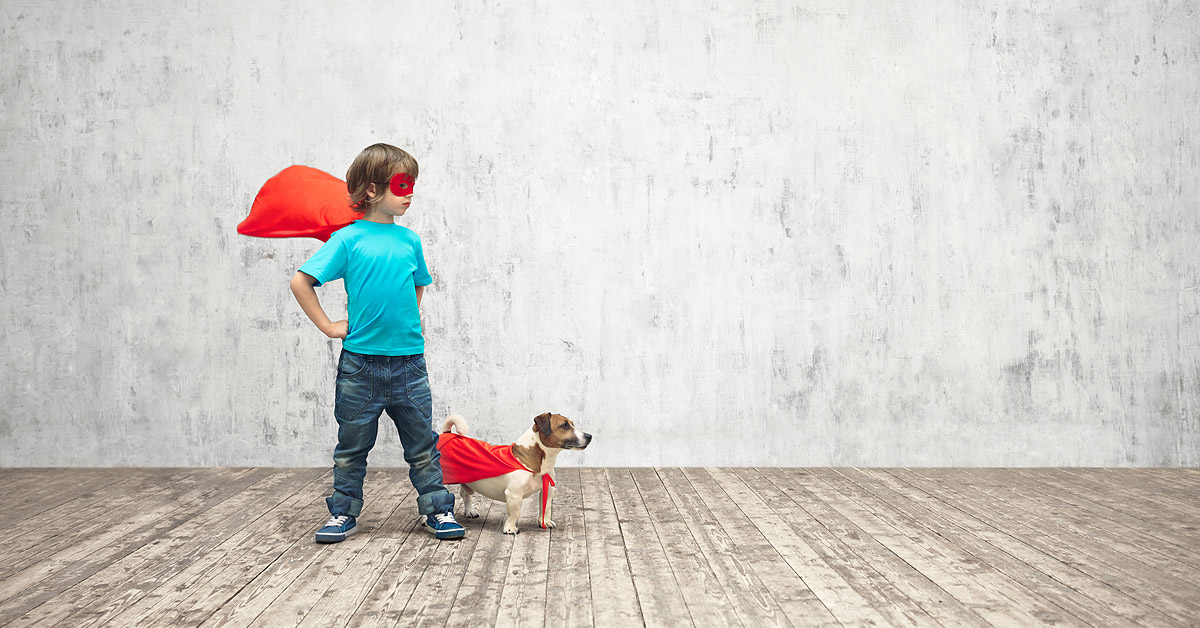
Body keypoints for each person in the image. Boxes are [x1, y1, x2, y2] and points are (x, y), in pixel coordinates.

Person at [289, 143, 464, 542]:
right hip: (360, 368)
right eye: (401, 185)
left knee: (422, 446)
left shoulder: (410, 242)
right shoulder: (348, 240)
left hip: (409, 365)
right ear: (371, 189)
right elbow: (302, 281)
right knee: (351, 449)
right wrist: (329, 326)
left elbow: (417, 286)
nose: (409, 193)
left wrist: (404, 323)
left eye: (412, 186)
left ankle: (438, 511)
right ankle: (342, 514)